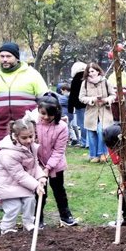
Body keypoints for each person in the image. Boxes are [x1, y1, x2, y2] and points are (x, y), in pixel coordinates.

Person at [0, 42, 48, 152]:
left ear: (16, 57)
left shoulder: (32, 74)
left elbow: (45, 100)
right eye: (2, 56)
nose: (5, 59)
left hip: (26, 128)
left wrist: (38, 118)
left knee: (27, 160)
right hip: (1, 128)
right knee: (2, 161)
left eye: (8, 56)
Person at [0, 118, 47, 235]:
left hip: (18, 181)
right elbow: (19, 174)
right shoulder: (8, 154)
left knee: (30, 199)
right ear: (15, 136)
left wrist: (41, 176)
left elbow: (34, 164)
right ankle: (7, 228)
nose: (29, 140)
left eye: (31, 136)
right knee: (14, 206)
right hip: (5, 183)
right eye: (24, 138)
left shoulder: (30, 147)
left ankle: (29, 224)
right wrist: (35, 185)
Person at [35, 94, 76, 228]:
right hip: (36, 164)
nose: (46, 117)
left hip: (56, 165)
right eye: (43, 114)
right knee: (39, 192)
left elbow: (58, 151)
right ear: (38, 110)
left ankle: (65, 216)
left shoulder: (62, 126)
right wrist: (38, 167)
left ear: (57, 112)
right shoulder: (33, 123)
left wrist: (47, 168)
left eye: (50, 115)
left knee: (59, 191)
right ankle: (38, 219)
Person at [79, 62, 115, 163]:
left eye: (93, 71)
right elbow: (81, 97)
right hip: (91, 112)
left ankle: (103, 154)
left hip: (104, 111)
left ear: (98, 71)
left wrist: (107, 100)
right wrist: (91, 99)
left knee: (101, 131)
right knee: (91, 133)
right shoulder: (85, 83)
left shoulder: (105, 82)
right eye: (89, 71)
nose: (91, 73)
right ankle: (93, 155)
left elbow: (113, 95)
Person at [68, 61, 88, 148]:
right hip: (90, 104)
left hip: (80, 105)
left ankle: (84, 142)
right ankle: (90, 142)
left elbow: (72, 95)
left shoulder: (75, 80)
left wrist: (70, 109)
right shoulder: (89, 78)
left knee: (82, 124)